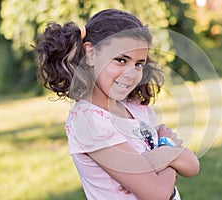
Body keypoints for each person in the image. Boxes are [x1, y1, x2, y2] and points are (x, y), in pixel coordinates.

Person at [35, 9, 199, 200]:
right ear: (90, 54)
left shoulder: (135, 108)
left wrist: (154, 162)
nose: (131, 74)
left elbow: (193, 166)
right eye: (121, 60)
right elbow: (158, 194)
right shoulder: (88, 121)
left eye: (139, 64)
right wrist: (168, 150)